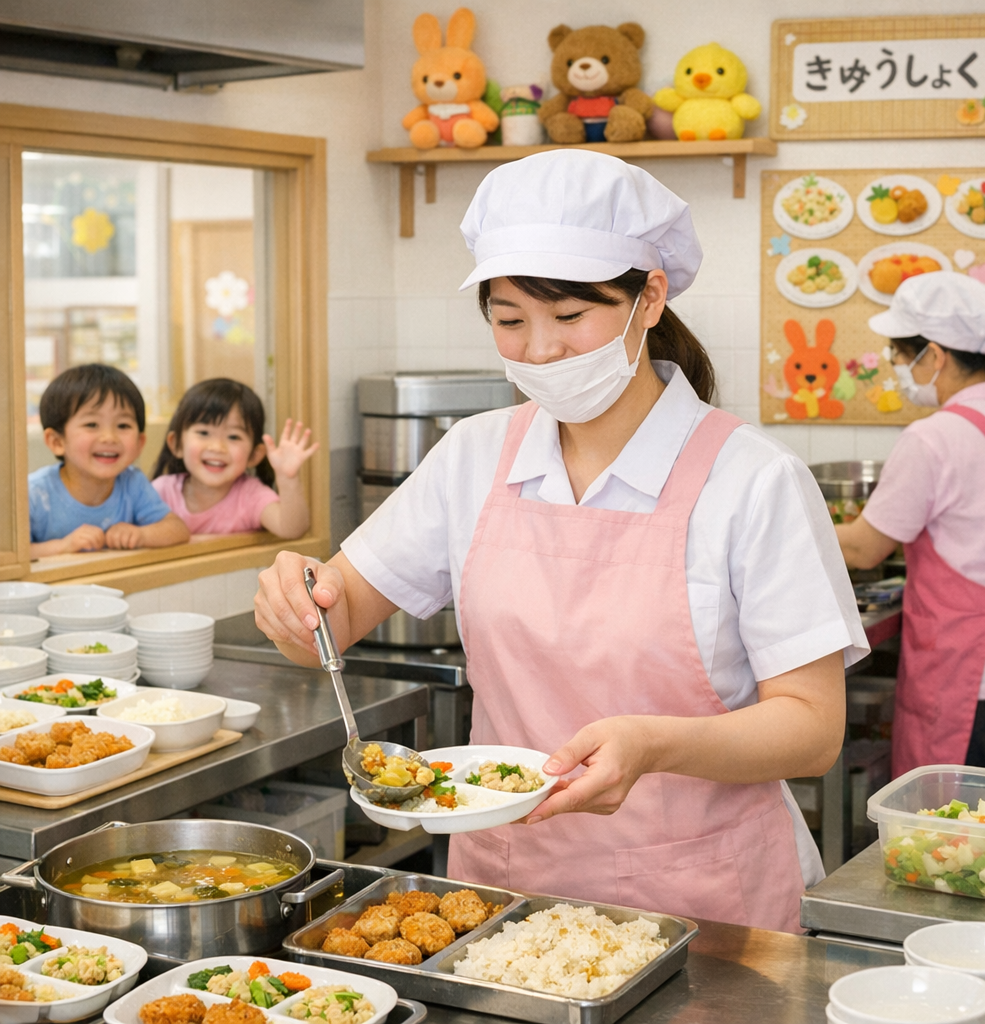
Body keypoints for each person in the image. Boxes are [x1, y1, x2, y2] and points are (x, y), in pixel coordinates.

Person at [255, 150, 867, 933]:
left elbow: (812, 728)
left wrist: (651, 745)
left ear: (649, 298)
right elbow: (329, 627)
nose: (538, 351)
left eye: (570, 318)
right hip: (508, 892)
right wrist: (297, 604)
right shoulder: (474, 455)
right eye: (509, 321)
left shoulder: (754, 480)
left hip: (705, 903)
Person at [835, 272, 985, 776]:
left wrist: (776, 527)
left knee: (959, 834)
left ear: (934, 356)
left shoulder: (934, 437)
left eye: (901, 355)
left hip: (970, 674)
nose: (898, 368)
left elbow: (863, 549)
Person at [30, 364, 189, 558]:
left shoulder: (132, 483)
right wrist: (63, 546)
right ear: (57, 441)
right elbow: (10, 555)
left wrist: (140, 534)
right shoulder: (34, 493)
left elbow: (177, 529)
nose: (109, 437)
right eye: (92, 424)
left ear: (140, 442)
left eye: (123, 425)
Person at [151, 378, 318, 540]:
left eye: (233, 437)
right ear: (177, 444)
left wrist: (287, 478)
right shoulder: (161, 492)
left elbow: (292, 529)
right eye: (203, 433)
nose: (217, 447)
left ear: (255, 455)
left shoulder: (250, 496)